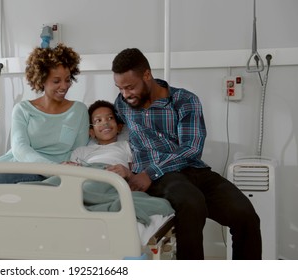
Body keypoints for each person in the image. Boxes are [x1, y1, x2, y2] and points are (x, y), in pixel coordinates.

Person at [110, 48, 262, 260]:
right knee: (192, 203)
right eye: (120, 88)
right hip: (164, 178)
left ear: (147, 75)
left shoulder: (184, 100)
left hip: (191, 169)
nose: (125, 94)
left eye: (130, 87)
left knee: (246, 215)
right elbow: (103, 124)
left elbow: (191, 148)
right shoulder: (122, 104)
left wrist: (149, 173)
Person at [0, 43, 89, 184]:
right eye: (56, 81)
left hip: (56, 175)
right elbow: (20, 149)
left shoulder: (79, 111)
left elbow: (79, 152)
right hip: (18, 166)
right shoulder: (23, 109)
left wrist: (62, 171)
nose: (64, 86)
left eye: (68, 80)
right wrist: (53, 168)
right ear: (42, 80)